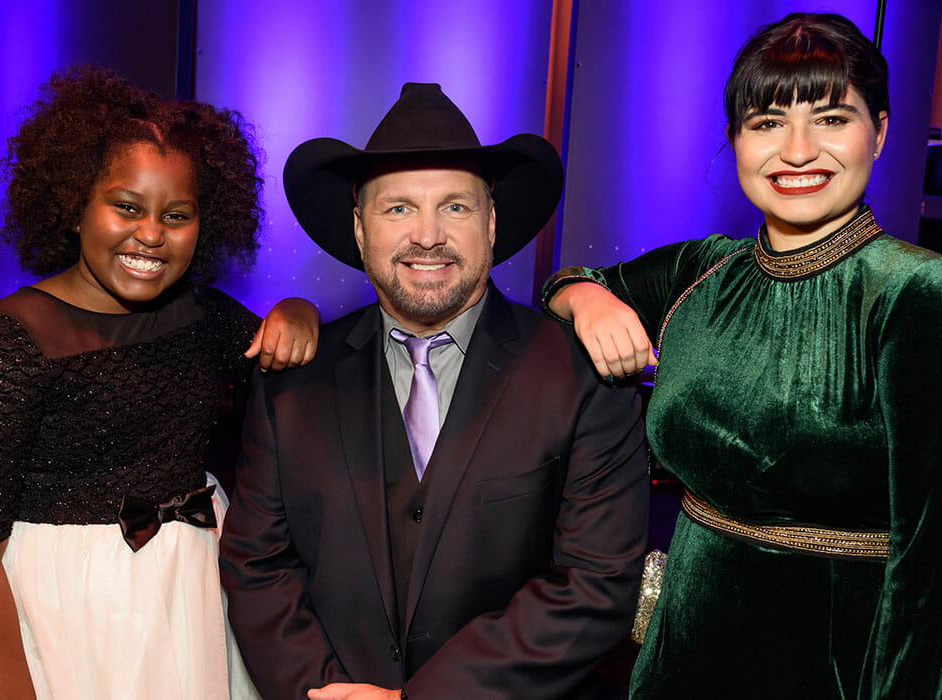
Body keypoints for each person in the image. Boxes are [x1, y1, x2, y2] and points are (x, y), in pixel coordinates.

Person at [542, 13, 942, 699]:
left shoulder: (917, 293)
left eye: (830, 119)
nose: (796, 150)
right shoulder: (700, 271)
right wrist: (588, 299)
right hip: (681, 651)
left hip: (832, 664)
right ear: (734, 142)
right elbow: (560, 287)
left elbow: (940, 565)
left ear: (879, 131)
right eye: (765, 123)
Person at [220, 83, 649, 700]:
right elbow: (258, 568)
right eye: (398, 209)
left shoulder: (581, 377)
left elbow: (593, 585)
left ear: (492, 223)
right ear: (360, 230)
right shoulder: (292, 383)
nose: (427, 235)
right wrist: (319, 691)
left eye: (455, 207)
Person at [0, 65, 315, 699]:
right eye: (126, 207)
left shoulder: (204, 317)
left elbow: (281, 351)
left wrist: (298, 311)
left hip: (188, 597)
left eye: (176, 215)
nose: (150, 234)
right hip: (54, 616)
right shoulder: (8, 339)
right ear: (74, 206)